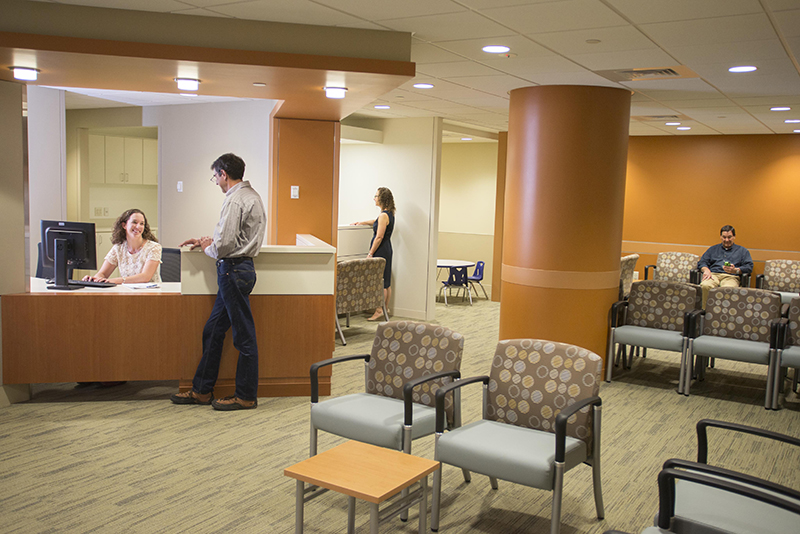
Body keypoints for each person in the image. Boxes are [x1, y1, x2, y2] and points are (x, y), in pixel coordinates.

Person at [170, 153, 266, 411]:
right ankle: (202, 390)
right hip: (238, 271)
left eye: (215, 175)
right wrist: (207, 242)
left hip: (232, 272)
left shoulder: (235, 200)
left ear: (224, 173)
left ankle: (246, 396)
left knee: (244, 338)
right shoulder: (251, 196)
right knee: (212, 331)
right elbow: (231, 238)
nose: (215, 181)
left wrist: (206, 248)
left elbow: (224, 246)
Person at [83, 208, 162, 284]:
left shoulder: (154, 247)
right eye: (134, 222)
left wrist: (113, 281)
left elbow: (145, 277)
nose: (138, 226)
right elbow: (103, 274)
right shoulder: (118, 248)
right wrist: (95, 279)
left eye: (142, 223)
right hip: (127, 292)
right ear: (124, 225)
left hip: (151, 294)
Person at [353, 187, 395, 321]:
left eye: (376, 196)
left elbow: (379, 236)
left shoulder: (383, 215)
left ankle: (379, 310)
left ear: (382, 198)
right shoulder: (388, 214)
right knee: (386, 282)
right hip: (387, 249)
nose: (374, 198)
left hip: (381, 250)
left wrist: (370, 253)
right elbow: (376, 222)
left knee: (380, 282)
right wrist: (362, 222)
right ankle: (385, 308)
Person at [697, 225, 753, 304]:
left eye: (729, 237)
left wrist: (736, 270)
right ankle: (706, 310)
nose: (726, 240)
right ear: (720, 237)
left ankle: (724, 313)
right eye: (724, 237)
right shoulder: (713, 249)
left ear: (734, 237)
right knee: (705, 285)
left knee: (727, 289)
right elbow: (702, 262)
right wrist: (706, 270)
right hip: (713, 275)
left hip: (731, 277)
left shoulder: (742, 251)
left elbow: (749, 267)